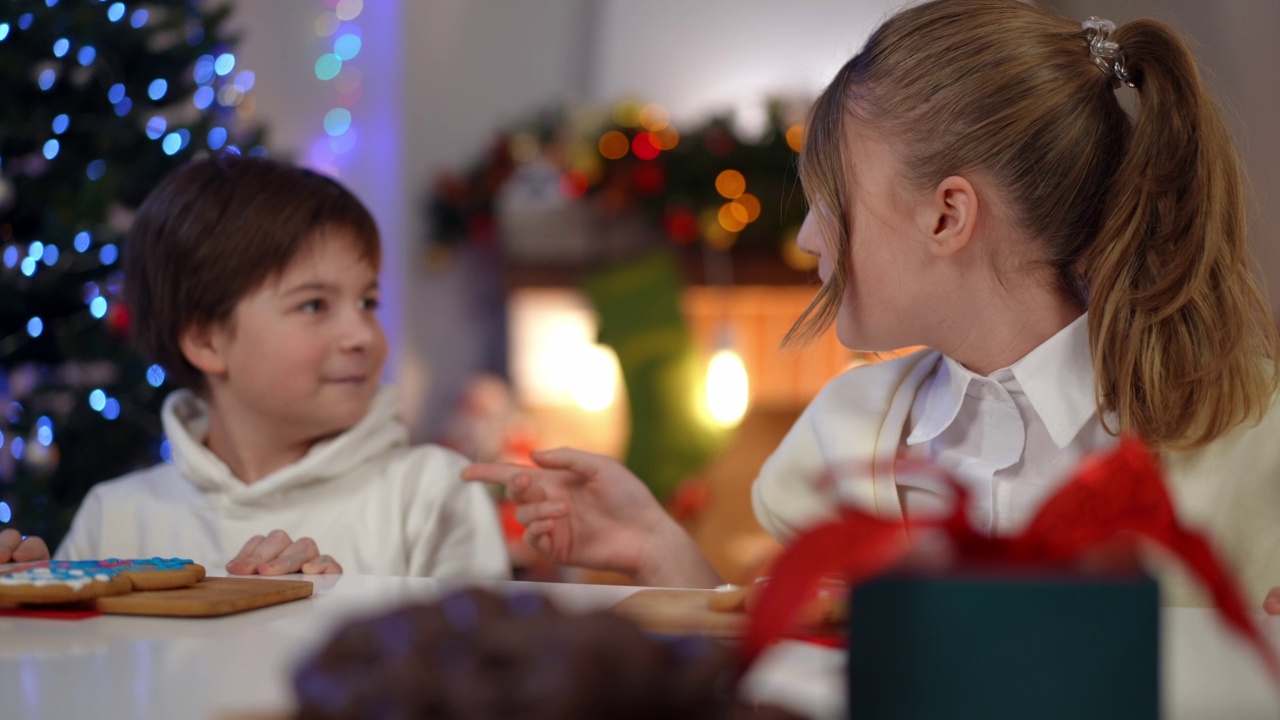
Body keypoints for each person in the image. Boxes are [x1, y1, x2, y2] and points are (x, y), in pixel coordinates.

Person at [464, 0, 1280, 609]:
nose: (809, 242)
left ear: (947, 216)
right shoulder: (840, 436)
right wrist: (655, 546)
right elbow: (790, 674)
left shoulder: (1252, 436)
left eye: (830, 200)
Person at [9, 153, 509, 579]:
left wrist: (331, 622)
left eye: (368, 302)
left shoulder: (429, 494)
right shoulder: (116, 518)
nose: (362, 335)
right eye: (314, 305)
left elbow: (484, 680)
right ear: (207, 340)